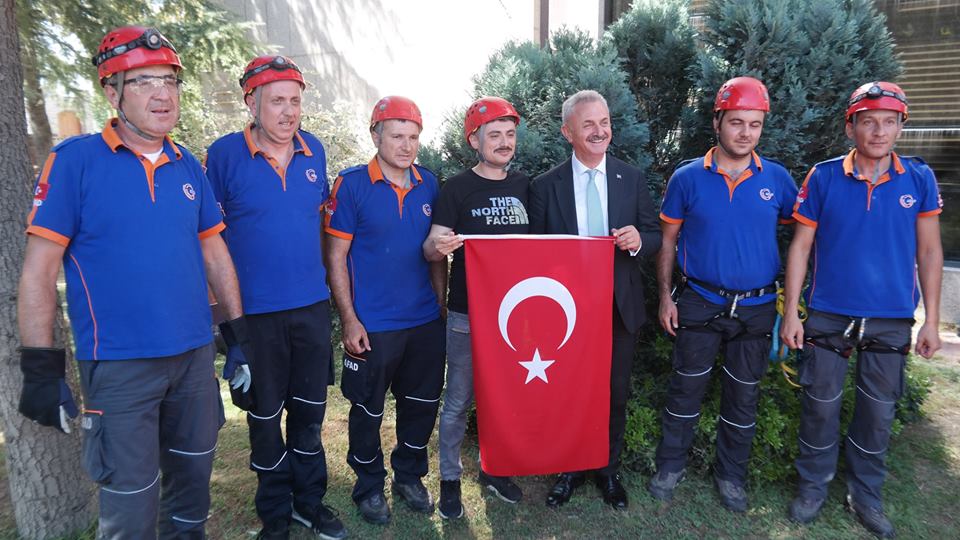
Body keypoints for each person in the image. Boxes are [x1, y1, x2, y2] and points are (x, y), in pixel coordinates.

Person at [16, 26, 250, 539]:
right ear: (111, 92)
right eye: (143, 81)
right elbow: (38, 272)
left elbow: (215, 251)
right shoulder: (74, 162)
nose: (163, 94)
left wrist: (237, 337)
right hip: (119, 366)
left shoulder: (187, 163)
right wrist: (38, 367)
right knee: (131, 505)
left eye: (170, 80)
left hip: (192, 359)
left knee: (193, 485)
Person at [780, 81, 943, 538]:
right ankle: (813, 486)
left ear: (900, 127)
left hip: (890, 317)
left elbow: (930, 253)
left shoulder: (919, 179)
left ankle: (865, 495)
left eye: (889, 122)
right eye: (869, 121)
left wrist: (931, 319)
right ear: (850, 126)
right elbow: (801, 246)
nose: (879, 131)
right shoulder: (824, 176)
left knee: (877, 412)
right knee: (820, 406)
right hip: (830, 312)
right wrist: (792, 311)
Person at [204, 55, 346, 540]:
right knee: (264, 422)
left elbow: (324, 228)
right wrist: (229, 332)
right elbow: (207, 244)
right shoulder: (222, 156)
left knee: (308, 417)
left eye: (295, 101)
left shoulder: (316, 152)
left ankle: (310, 504)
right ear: (251, 102)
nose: (288, 112)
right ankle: (275, 515)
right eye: (277, 101)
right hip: (255, 317)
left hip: (309, 309)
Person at [647, 77, 797, 512]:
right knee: (685, 390)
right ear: (717, 121)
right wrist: (665, 297)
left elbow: (801, 239)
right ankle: (670, 466)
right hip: (699, 300)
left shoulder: (779, 180)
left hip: (757, 306)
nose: (745, 132)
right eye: (736, 122)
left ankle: (732, 477)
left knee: (743, 397)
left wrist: (793, 300)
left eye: (754, 124)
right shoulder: (687, 178)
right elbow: (669, 242)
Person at [529, 89, 661, 509]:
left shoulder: (631, 178)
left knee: (614, 393)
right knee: (568, 392)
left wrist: (640, 240)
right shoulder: (544, 186)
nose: (599, 131)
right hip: (566, 314)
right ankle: (570, 468)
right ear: (568, 131)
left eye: (604, 123)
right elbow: (531, 254)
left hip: (618, 308)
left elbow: (656, 236)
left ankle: (607, 470)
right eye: (588, 124)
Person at [324, 96, 447, 524]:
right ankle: (369, 485)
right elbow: (336, 256)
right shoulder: (352, 184)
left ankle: (409, 476)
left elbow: (436, 255)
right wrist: (350, 319)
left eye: (413, 137)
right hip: (373, 325)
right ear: (375, 135)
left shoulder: (430, 184)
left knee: (421, 406)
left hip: (424, 321)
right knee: (367, 411)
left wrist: (441, 308)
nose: (406, 145)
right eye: (397, 135)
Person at [423, 96, 530, 519]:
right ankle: (450, 478)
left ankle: (495, 469)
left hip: (515, 316)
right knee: (458, 400)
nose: (504, 142)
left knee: (503, 398)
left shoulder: (526, 186)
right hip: (468, 314)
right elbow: (431, 248)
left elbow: (543, 251)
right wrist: (439, 246)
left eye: (509, 134)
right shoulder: (457, 188)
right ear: (475, 140)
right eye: (494, 135)